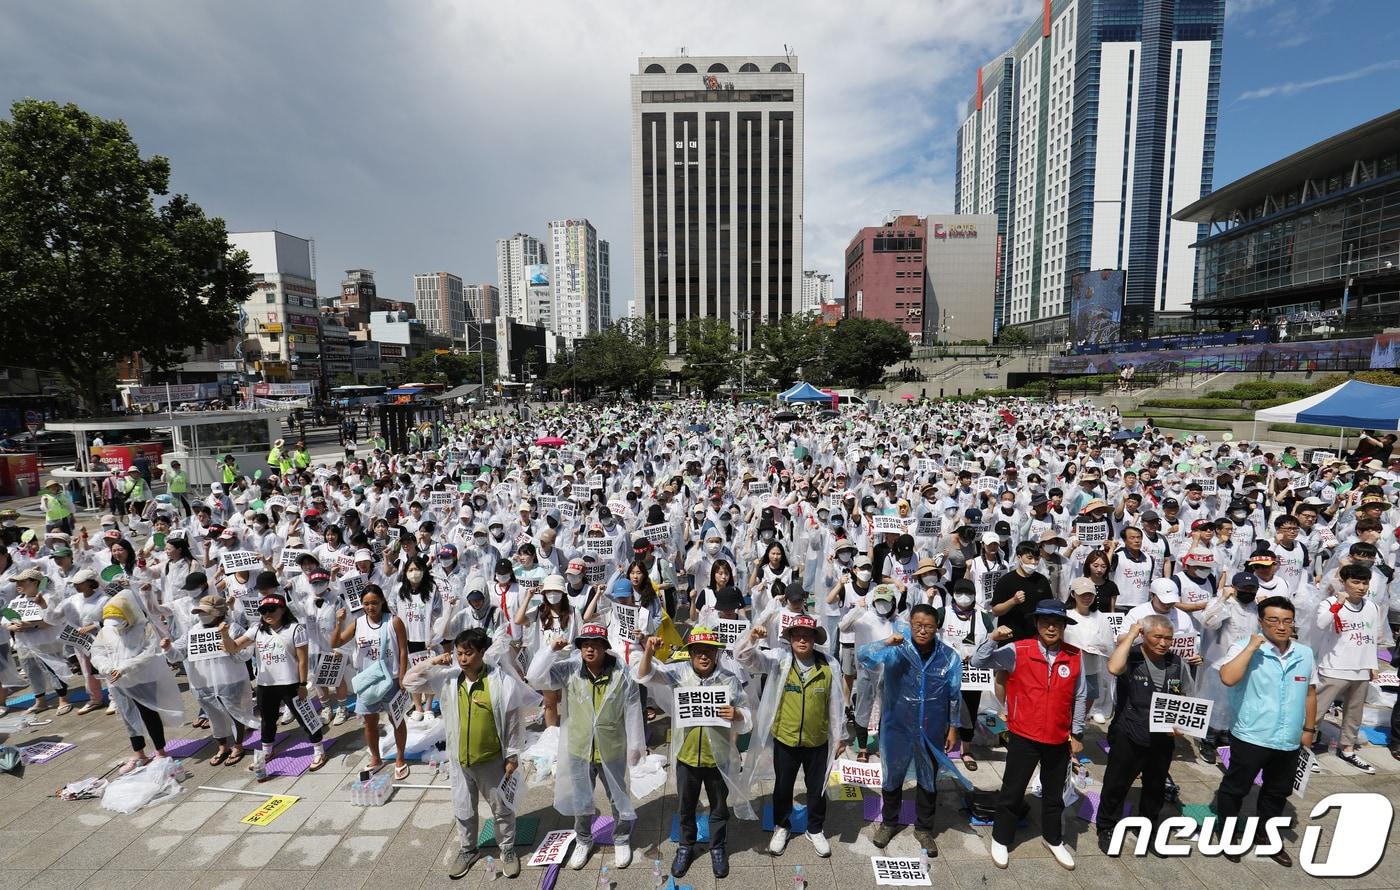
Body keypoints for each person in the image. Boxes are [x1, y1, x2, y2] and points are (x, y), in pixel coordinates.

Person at [405, 628, 539, 880]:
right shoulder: (449, 678)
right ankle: (468, 849)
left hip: (491, 760)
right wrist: (434, 660)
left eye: (468, 653)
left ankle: (507, 850)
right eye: (458, 654)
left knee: (502, 808)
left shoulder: (500, 682)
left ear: (482, 653)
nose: (463, 659)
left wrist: (511, 756)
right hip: (459, 760)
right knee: (463, 808)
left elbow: (512, 721)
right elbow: (409, 681)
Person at [973, 600, 1085, 871]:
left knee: (1054, 794)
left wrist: (1077, 732)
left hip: (1058, 738)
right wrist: (992, 638)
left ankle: (1053, 838)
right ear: (1037, 623)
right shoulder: (1018, 650)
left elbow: (1080, 695)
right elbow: (978, 660)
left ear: (1063, 626)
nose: (1051, 627)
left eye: (1057, 623)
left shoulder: (1074, 655)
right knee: (1012, 791)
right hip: (1024, 734)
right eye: (1045, 621)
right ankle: (1001, 838)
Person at [637, 626, 755, 880]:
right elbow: (645, 676)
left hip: (718, 758)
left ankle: (718, 847)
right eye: (698, 651)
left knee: (719, 807)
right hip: (686, 757)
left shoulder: (728, 679)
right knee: (685, 807)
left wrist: (736, 715)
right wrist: (648, 651)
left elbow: (747, 715)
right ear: (690, 654)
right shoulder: (678, 673)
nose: (703, 656)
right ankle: (685, 846)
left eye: (709, 652)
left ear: (717, 654)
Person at [526, 622, 645, 870]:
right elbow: (535, 677)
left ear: (605, 648)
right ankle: (583, 839)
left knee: (617, 796)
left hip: (611, 747)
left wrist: (635, 745)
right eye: (585, 645)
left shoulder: (620, 674)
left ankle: (621, 838)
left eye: (596, 645)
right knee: (581, 798)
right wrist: (551, 650)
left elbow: (633, 707)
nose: (590, 650)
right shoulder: (570, 670)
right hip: (580, 747)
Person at [1214, 595, 1316, 867]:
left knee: (1277, 791)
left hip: (1289, 738)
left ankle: (1265, 835)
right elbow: (1228, 677)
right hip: (1251, 735)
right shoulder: (1244, 646)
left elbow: (1310, 692)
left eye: (1287, 621)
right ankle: (1227, 834)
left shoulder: (1304, 653)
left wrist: (1309, 728)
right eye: (1273, 620)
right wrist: (1251, 646)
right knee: (1236, 788)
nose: (1281, 626)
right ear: (1261, 622)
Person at [736, 615, 846, 859]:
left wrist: (841, 736)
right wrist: (751, 638)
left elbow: (838, 701)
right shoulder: (779, 660)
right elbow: (744, 658)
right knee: (783, 787)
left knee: (817, 788)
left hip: (818, 740)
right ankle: (782, 826)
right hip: (785, 739)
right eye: (797, 635)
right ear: (790, 638)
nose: (803, 640)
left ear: (815, 639)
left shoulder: (830, 664)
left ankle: (815, 829)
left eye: (808, 635)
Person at [858, 603, 962, 855]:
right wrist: (885, 643)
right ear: (910, 625)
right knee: (892, 774)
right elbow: (863, 657)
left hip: (932, 727)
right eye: (917, 625)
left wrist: (953, 727)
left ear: (937, 627)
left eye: (928, 626)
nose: (923, 630)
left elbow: (954, 696)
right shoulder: (896, 650)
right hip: (897, 725)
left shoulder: (949, 657)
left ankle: (924, 828)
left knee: (929, 778)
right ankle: (889, 823)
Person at [219, 577, 329, 779]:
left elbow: (303, 660)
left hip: (291, 683)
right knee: (267, 720)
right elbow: (233, 647)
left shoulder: (295, 629)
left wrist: (303, 684)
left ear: (282, 610)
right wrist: (225, 635)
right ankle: (268, 750)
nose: (267, 614)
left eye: (272, 610)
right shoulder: (257, 629)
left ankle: (319, 750)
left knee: (305, 717)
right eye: (263, 611)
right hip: (265, 684)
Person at [1095, 615, 1190, 852]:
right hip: (1129, 732)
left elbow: (1183, 697)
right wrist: (1130, 636)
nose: (1163, 643)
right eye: (1157, 636)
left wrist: (1181, 724)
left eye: (1168, 638)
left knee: (1155, 787)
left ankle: (1147, 828)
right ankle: (1107, 826)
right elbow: (1113, 668)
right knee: (1117, 783)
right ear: (1144, 635)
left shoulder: (1177, 663)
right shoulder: (1132, 655)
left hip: (1162, 738)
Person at [90, 589, 186, 773]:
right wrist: (106, 668)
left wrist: (125, 667)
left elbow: (148, 653)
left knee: (149, 714)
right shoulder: (107, 630)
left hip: (143, 679)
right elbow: (97, 653)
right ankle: (139, 753)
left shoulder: (144, 628)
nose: (117, 628)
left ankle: (160, 751)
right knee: (128, 716)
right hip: (117, 682)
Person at [164, 593, 256, 766]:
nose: (202, 616)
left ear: (219, 613)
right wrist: (168, 648)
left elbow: (245, 654)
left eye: (206, 612)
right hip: (203, 684)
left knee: (236, 714)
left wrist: (230, 647)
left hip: (231, 681)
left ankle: (238, 745)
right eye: (200, 612)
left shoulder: (233, 628)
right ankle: (222, 746)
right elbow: (178, 653)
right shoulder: (193, 631)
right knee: (214, 716)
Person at [331, 584, 411, 779]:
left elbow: (402, 650)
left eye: (374, 603)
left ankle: (400, 758)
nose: (370, 607)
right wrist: (338, 623)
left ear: (382, 601)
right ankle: (376, 757)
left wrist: (402, 676)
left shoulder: (393, 622)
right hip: (367, 681)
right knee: (369, 722)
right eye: (366, 603)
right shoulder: (358, 623)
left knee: (397, 720)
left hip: (391, 679)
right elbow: (336, 643)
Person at [1311, 563, 1381, 773]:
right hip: (1334, 668)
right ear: (1343, 582)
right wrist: (1337, 605)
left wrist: (1373, 664)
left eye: (1365, 583)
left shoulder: (1372, 606)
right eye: (1356, 582)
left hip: (1360, 669)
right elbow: (1321, 624)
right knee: (1317, 712)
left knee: (1354, 712)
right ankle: (1304, 748)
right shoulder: (1330, 603)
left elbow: (1371, 638)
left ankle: (1347, 748)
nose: (1361, 587)